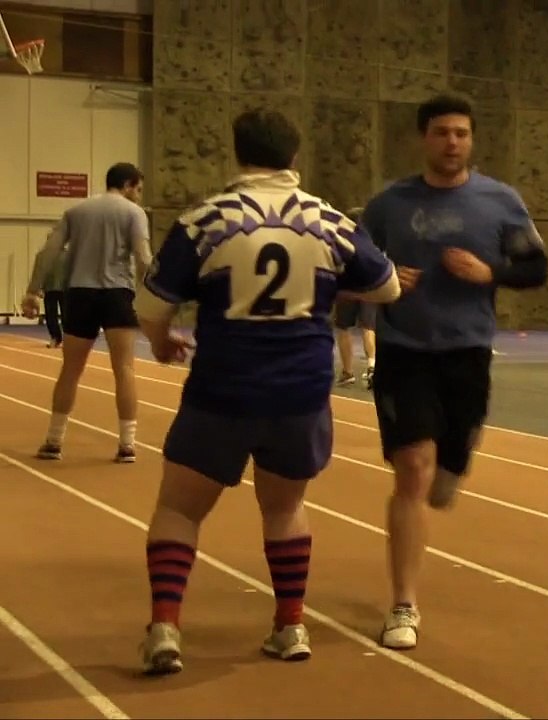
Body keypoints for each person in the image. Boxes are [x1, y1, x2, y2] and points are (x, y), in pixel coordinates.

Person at [130, 108, 400, 675]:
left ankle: (164, 629)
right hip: (299, 393)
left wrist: (161, 344)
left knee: (179, 508)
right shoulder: (328, 219)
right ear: (294, 156)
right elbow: (387, 286)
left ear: (238, 152)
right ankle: (290, 624)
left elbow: (152, 304)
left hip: (221, 389)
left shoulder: (206, 219)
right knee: (286, 508)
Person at [360, 93, 548, 651]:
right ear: (424, 137)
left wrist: (488, 270)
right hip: (404, 351)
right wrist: (386, 278)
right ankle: (404, 604)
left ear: (471, 139)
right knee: (412, 470)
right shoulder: (389, 205)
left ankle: (453, 468)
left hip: (467, 354)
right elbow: (354, 263)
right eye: (442, 132)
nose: (452, 142)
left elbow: (536, 268)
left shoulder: (498, 202)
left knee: (443, 483)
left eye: (461, 133)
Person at [21, 162, 151, 463]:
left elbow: (48, 252)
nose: (140, 196)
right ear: (129, 185)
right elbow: (144, 258)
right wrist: (149, 297)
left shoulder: (76, 211)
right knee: (125, 369)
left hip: (80, 294)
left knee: (70, 369)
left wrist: (33, 291)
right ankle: (127, 444)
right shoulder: (134, 213)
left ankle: (54, 441)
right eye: (140, 190)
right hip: (118, 294)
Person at [333, 208, 378, 389]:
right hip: (368, 287)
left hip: (348, 288)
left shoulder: (343, 239)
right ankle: (372, 366)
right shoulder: (371, 242)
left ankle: (348, 371)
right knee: (368, 327)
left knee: (344, 328)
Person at [30, 233, 67, 349]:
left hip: (65, 289)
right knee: (51, 316)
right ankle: (55, 338)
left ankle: (68, 339)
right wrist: (37, 289)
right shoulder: (41, 256)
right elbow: (37, 273)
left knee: (68, 316)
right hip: (49, 288)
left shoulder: (69, 255)